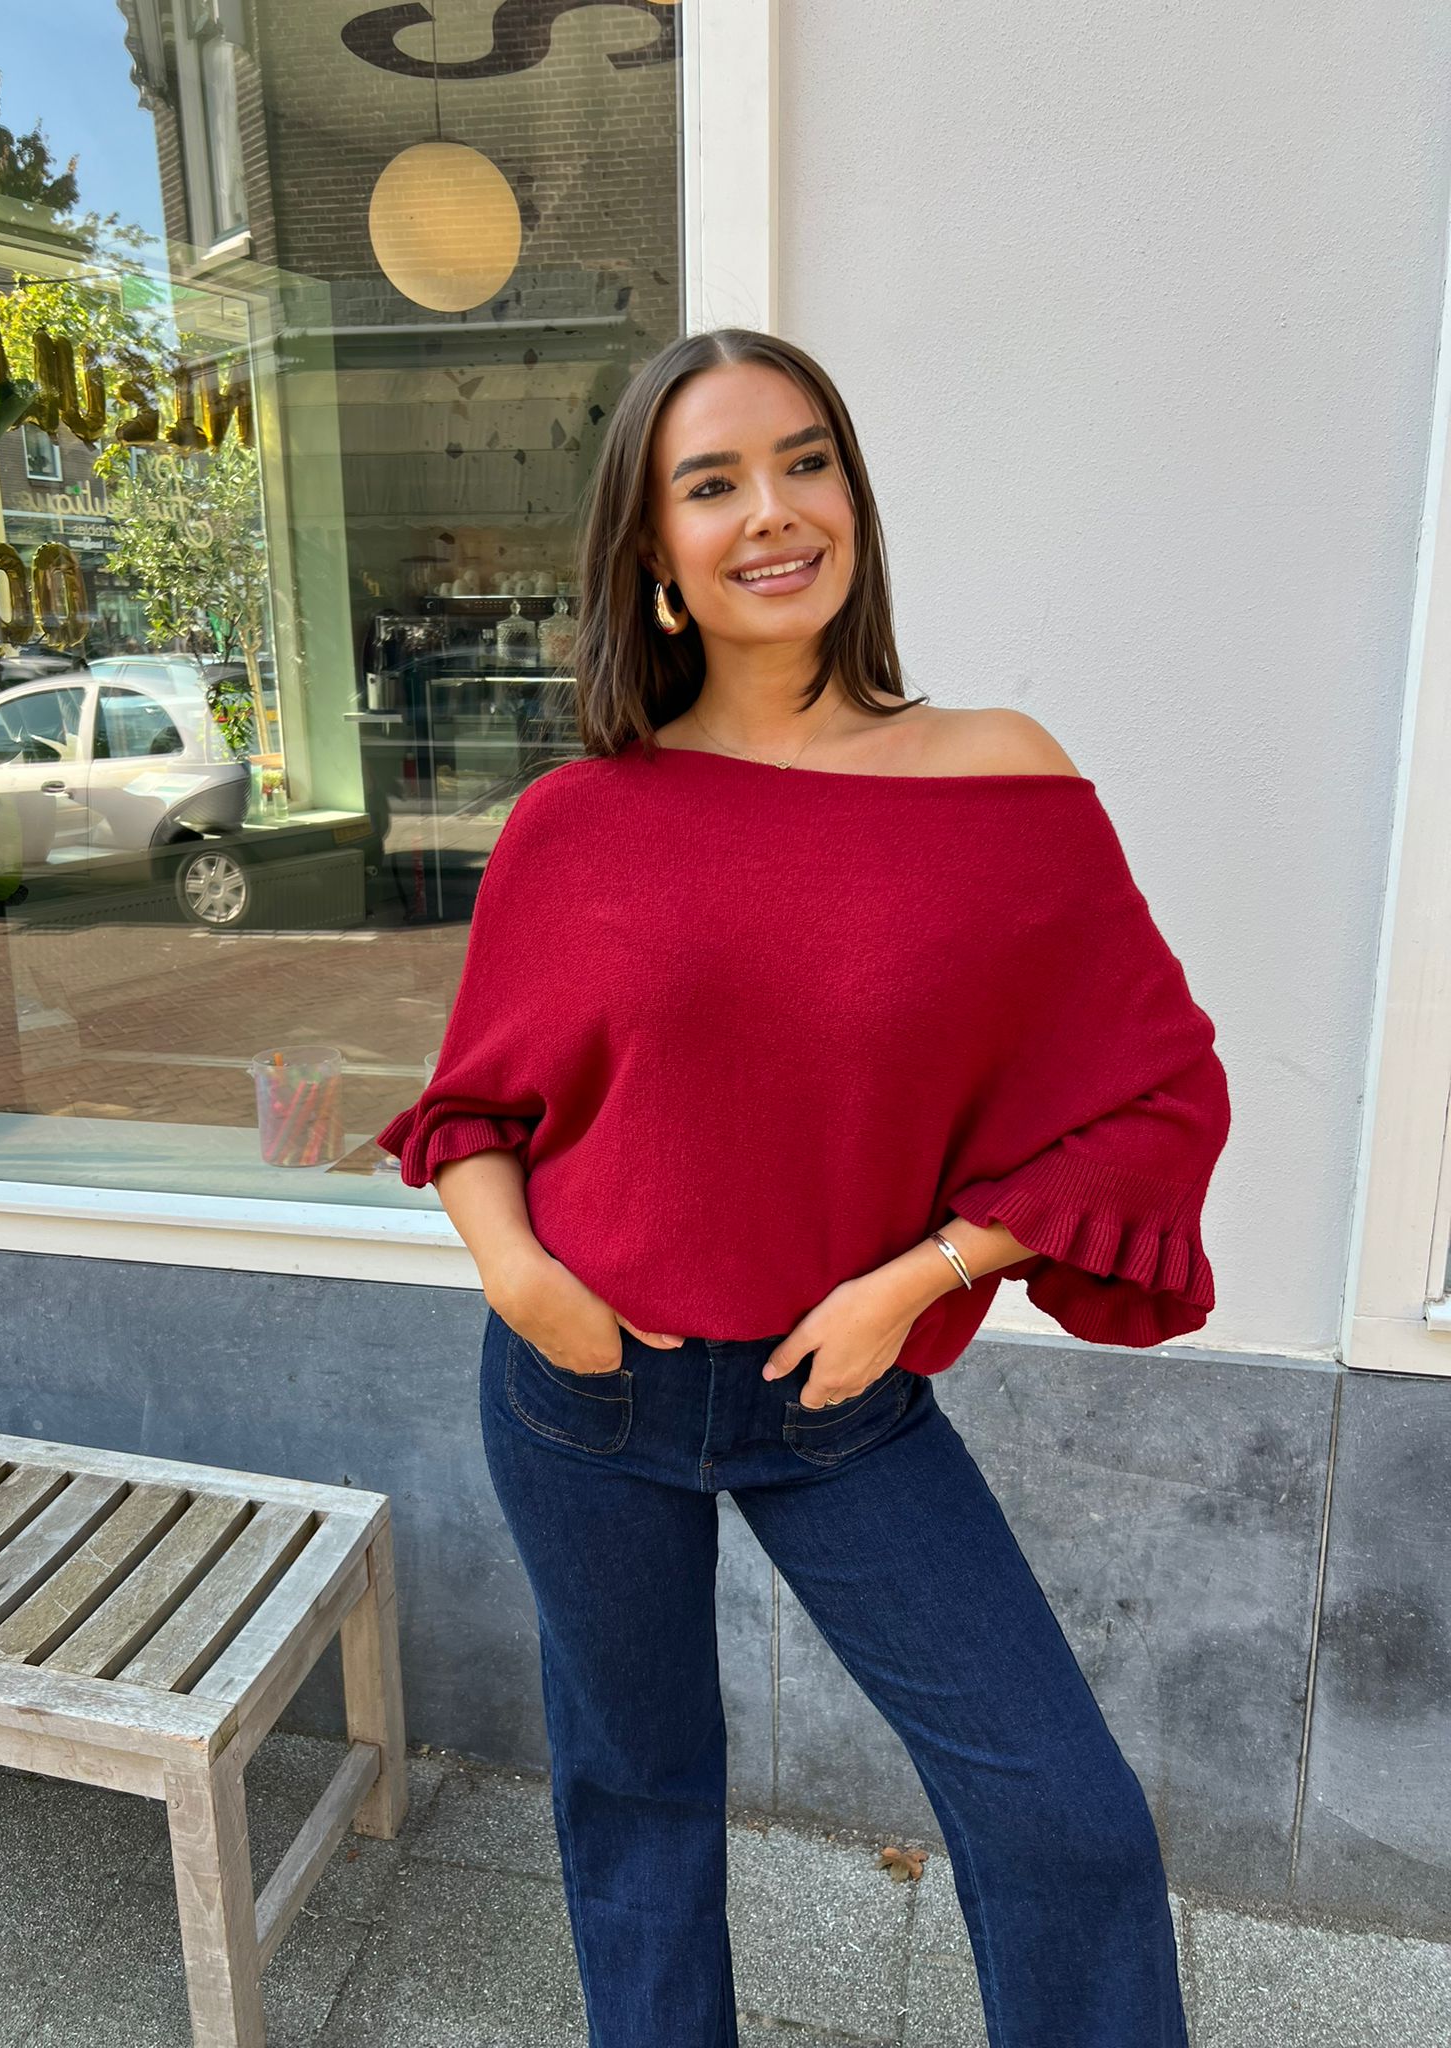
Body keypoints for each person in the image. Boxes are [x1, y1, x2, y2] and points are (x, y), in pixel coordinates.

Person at [378, 326, 1230, 2048]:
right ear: (655, 553)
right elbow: (469, 1114)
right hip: (578, 1395)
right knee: (639, 1802)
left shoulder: (999, 777)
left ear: (853, 495)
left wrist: (918, 1275)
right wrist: (529, 1287)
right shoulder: (577, 822)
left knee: (1066, 1815)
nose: (771, 512)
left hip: (840, 1393)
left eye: (806, 460)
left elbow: (1153, 1091)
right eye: (713, 483)